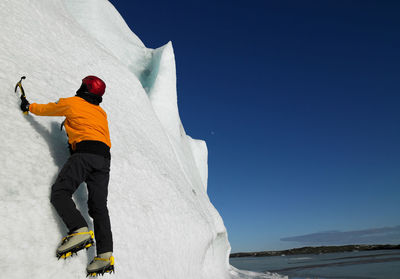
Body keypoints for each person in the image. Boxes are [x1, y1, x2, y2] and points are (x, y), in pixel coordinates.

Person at [20, 76, 114, 276]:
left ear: (85, 88)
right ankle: (105, 254)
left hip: (85, 154)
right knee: (98, 207)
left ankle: (79, 229)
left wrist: (28, 106)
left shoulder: (73, 102)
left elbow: (48, 109)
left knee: (60, 193)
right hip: (104, 159)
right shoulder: (101, 112)